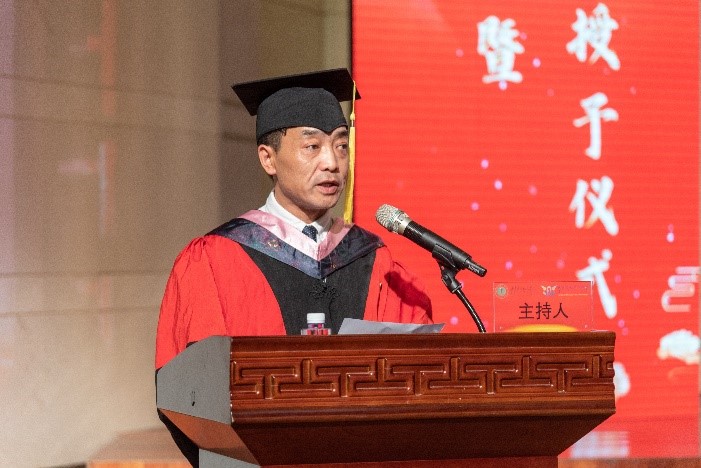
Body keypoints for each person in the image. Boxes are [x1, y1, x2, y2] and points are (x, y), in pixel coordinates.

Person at [155, 69, 433, 466]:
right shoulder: (215, 260)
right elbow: (188, 389)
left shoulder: (373, 258)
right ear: (268, 158)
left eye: (341, 146)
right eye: (312, 146)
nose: (332, 162)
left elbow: (414, 372)